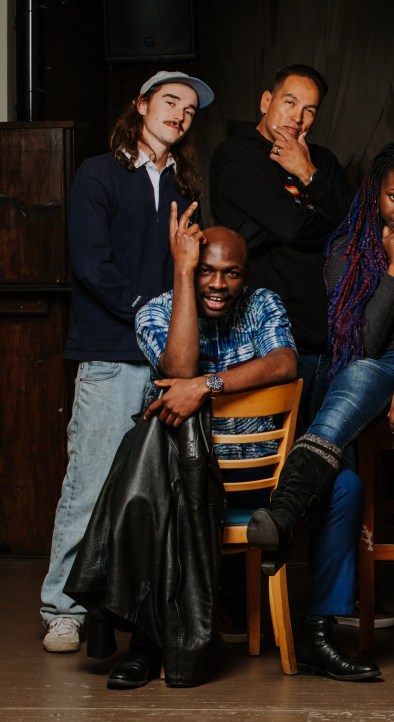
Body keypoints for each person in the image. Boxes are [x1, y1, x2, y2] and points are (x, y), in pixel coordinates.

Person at [130, 214, 377, 686]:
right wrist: (182, 274)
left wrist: (208, 385)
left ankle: (318, 633)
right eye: (205, 270)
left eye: (231, 273)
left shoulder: (262, 303)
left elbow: (285, 362)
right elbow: (179, 368)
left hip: (267, 479)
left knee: (345, 485)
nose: (217, 284)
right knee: (147, 491)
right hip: (192, 482)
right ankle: (151, 638)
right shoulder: (156, 312)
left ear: (245, 275)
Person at [246, 141, 394, 612]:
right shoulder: (348, 247)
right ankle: (283, 516)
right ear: (376, 194)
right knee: (332, 418)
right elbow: (367, 343)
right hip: (377, 361)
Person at [40, 70, 214, 654]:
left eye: (189, 109)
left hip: (170, 363)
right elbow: (91, 264)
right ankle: (62, 609)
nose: (180, 114)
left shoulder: (186, 185)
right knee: (91, 483)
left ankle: (146, 612)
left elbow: (189, 272)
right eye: (170, 101)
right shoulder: (98, 174)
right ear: (141, 105)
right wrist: (151, 313)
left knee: (160, 489)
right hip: (111, 356)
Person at [210, 63, 355, 426]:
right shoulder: (236, 155)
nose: (298, 118)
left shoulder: (322, 162)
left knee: (332, 451)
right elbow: (291, 227)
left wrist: (306, 172)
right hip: (269, 343)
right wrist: (319, 215)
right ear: (266, 102)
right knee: (276, 451)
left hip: (330, 338)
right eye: (290, 103)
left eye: (310, 110)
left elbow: (357, 226)